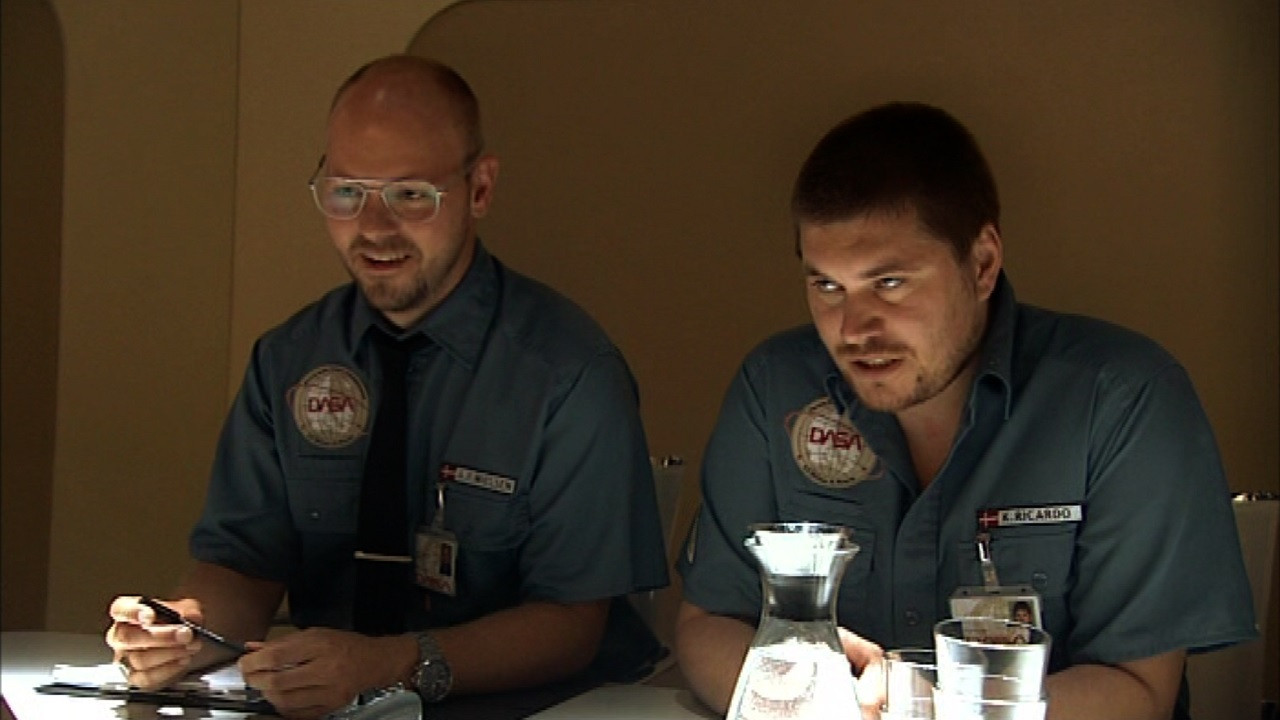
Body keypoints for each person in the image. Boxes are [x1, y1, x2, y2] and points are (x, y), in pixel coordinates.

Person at [106, 55, 669, 720]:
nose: (373, 227)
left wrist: (389, 664)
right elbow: (243, 564)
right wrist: (182, 632)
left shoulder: (567, 372)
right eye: (346, 192)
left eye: (410, 195)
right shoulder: (290, 359)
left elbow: (571, 626)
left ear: (480, 189)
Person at [673, 101, 1256, 720]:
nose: (853, 328)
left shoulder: (1120, 397)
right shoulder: (777, 386)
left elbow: (1138, 691)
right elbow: (709, 624)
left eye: (890, 283)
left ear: (982, 265)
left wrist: (928, 708)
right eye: (827, 286)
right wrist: (810, 693)